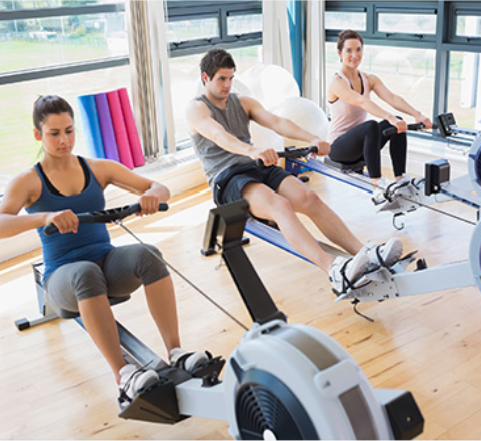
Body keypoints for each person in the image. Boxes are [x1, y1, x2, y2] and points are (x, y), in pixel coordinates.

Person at [0, 95, 208, 404]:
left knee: (149, 254)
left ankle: (176, 352)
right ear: (37, 135)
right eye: (54, 133)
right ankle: (123, 375)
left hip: (106, 263)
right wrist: (44, 217)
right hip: (62, 277)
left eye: (69, 131)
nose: (64, 140)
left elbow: (159, 188)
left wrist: (150, 196)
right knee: (85, 273)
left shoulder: (97, 168)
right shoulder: (28, 181)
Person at [186, 48, 405, 297]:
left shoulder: (242, 102)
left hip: (256, 166)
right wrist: (251, 150)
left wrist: (312, 137)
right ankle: (334, 270)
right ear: (205, 78)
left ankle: (364, 252)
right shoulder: (196, 109)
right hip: (228, 178)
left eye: (230, 78)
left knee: (309, 198)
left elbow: (278, 122)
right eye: (221, 79)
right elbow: (218, 135)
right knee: (280, 206)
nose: (227, 85)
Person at [327, 29, 434, 204]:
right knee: (372, 126)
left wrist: (418, 115)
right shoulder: (337, 82)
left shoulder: (369, 79)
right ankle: (377, 185)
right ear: (339, 53)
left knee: (397, 123)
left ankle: (401, 179)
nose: (355, 55)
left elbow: (392, 98)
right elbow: (361, 101)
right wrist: (389, 117)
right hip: (339, 148)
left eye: (358, 49)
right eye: (349, 51)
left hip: (361, 148)